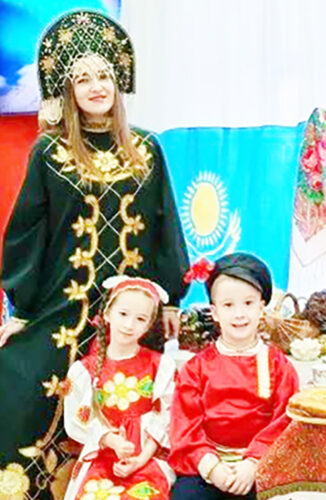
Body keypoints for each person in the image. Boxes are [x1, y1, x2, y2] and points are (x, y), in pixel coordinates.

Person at [0, 10, 189, 494]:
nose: (96, 87)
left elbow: (165, 225)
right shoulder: (50, 152)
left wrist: (171, 300)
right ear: (68, 90)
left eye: (103, 75)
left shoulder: (146, 149)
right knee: (18, 383)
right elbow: (27, 232)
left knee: (134, 409)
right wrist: (21, 310)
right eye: (82, 79)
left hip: (132, 314)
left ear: (118, 81)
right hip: (63, 306)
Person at [169, 253, 299, 499]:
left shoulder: (279, 366)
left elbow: (285, 421)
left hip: (261, 467)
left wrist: (253, 464)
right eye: (228, 305)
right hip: (208, 468)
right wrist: (213, 468)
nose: (239, 314)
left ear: (261, 307)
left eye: (248, 303)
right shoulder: (196, 368)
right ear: (214, 312)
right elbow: (185, 426)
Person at [63, 276, 176, 500]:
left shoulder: (160, 366)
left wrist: (141, 458)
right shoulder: (84, 370)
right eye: (123, 314)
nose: (129, 325)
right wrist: (110, 440)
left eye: (140, 318)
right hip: (99, 456)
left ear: (149, 324)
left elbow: (166, 415)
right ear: (107, 314)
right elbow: (77, 419)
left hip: (148, 457)